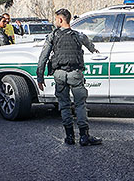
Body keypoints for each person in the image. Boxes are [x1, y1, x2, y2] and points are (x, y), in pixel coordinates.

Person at [36, 8, 102, 146]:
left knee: (64, 106)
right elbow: (92, 47)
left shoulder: (52, 36)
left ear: (60, 19)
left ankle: (69, 137)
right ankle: (84, 136)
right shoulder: (78, 35)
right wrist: (94, 50)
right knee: (80, 105)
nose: (55, 22)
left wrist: (40, 77)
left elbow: (43, 57)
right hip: (75, 74)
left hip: (59, 74)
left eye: (56, 19)